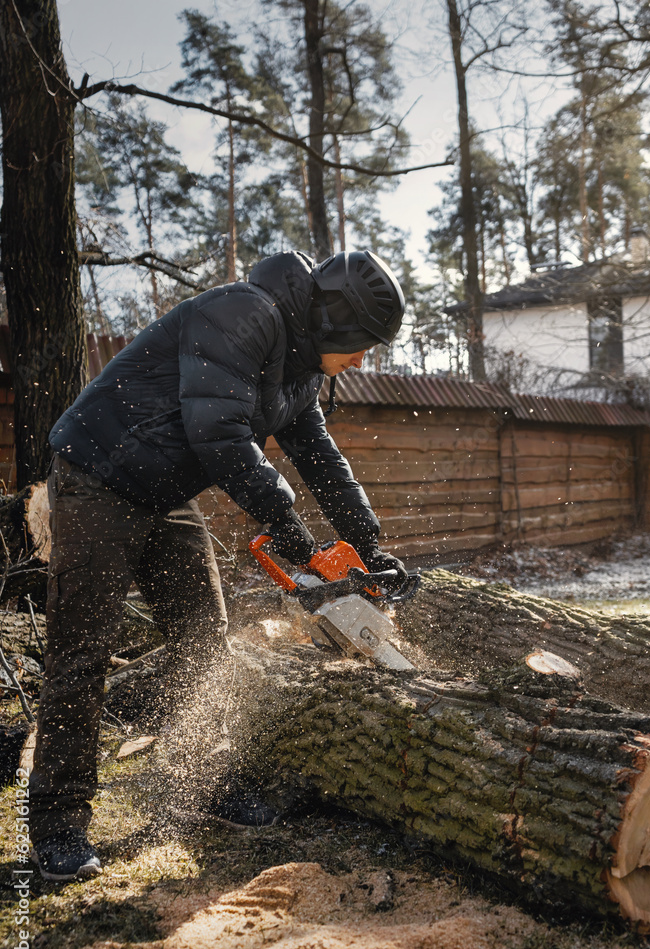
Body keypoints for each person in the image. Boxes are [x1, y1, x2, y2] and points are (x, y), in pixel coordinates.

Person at [29, 249, 408, 882]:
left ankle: (204, 781)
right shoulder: (243, 314)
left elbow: (320, 456)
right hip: (97, 475)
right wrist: (289, 529)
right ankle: (57, 824)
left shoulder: (302, 372)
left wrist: (369, 548)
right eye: (364, 344)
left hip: (162, 492)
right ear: (340, 323)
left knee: (204, 636)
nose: (363, 360)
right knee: (83, 651)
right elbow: (221, 435)